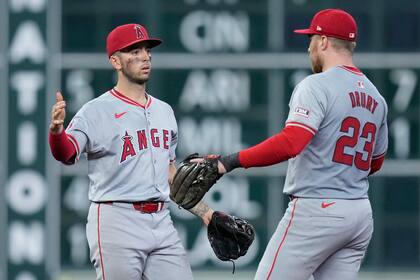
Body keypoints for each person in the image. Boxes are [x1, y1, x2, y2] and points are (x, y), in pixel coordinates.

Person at [210, 9, 388, 280]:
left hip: (317, 211)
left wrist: (228, 161)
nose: (309, 47)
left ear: (324, 42)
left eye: (312, 39)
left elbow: (292, 142)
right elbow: (374, 162)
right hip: (359, 214)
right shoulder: (377, 98)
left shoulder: (316, 86)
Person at [48, 23, 215, 280]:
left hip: (161, 220)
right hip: (116, 219)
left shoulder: (164, 111)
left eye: (147, 50)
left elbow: (170, 175)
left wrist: (207, 214)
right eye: (134, 51)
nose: (144, 56)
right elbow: (66, 153)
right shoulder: (96, 111)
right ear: (115, 61)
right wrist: (57, 132)